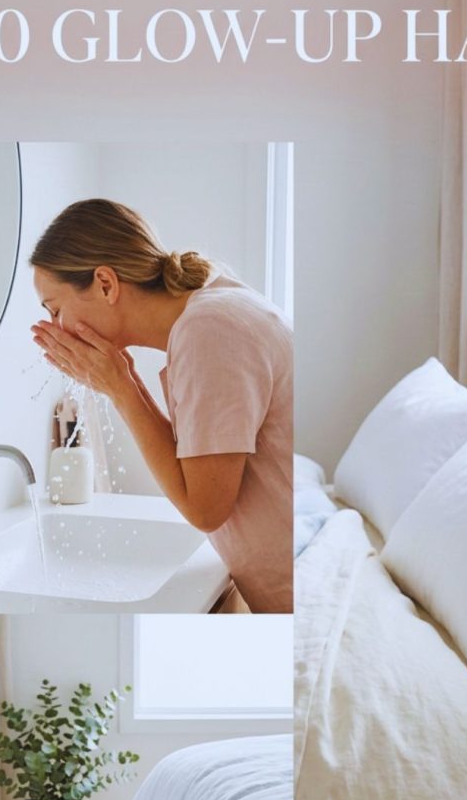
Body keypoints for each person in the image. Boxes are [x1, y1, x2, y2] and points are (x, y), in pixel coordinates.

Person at [30, 199, 292, 613]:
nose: (54, 328)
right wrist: (123, 381)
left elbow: (205, 509)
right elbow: (199, 471)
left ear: (105, 283)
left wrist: (120, 388)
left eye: (55, 309)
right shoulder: (212, 306)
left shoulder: (209, 330)